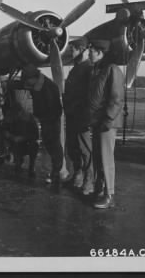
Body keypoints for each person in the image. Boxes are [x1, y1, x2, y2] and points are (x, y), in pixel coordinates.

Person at [88, 39, 124, 209]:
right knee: (97, 157)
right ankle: (100, 188)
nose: (89, 53)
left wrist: (108, 119)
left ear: (101, 52)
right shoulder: (97, 69)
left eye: (92, 51)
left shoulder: (112, 69)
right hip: (97, 121)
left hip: (106, 122)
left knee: (106, 157)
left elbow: (116, 98)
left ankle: (109, 195)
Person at [22, 66, 63, 188]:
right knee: (50, 146)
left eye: (27, 80)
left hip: (51, 120)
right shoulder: (38, 85)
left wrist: (44, 119)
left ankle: (56, 172)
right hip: (46, 120)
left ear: (33, 78)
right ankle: (54, 171)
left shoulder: (48, 87)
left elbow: (54, 108)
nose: (26, 84)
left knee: (54, 146)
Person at [63, 37, 94, 195]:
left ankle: (89, 180)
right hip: (71, 114)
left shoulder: (89, 68)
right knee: (73, 147)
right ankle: (78, 174)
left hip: (81, 115)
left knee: (85, 149)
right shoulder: (75, 69)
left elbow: (90, 95)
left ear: (82, 50)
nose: (71, 51)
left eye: (73, 49)